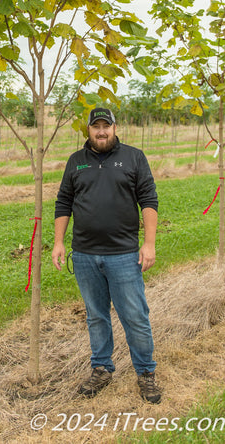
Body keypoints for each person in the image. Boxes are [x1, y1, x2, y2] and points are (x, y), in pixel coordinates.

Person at [52, 106, 161, 403]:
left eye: (106, 126)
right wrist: (59, 242)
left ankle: (146, 372)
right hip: (85, 255)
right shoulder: (76, 162)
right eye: (96, 126)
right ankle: (101, 367)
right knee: (96, 316)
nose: (101, 131)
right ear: (87, 129)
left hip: (123, 254)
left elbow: (149, 200)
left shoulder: (134, 157)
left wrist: (148, 244)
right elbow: (64, 202)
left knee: (135, 316)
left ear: (115, 127)